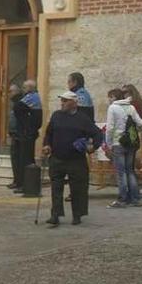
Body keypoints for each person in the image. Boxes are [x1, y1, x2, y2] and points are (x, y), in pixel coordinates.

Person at [42, 91, 103, 227]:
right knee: (56, 188)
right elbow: (48, 133)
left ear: (74, 103)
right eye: (62, 100)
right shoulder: (56, 116)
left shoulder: (83, 119)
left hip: (76, 159)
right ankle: (55, 215)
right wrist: (46, 145)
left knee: (78, 188)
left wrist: (92, 147)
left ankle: (77, 215)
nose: (62, 103)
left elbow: (97, 134)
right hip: (57, 157)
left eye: (65, 101)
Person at [104, 88, 142, 208]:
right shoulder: (131, 107)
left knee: (121, 173)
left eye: (110, 97)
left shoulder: (113, 108)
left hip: (118, 143)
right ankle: (135, 199)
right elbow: (140, 123)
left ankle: (122, 199)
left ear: (114, 97)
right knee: (130, 171)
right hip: (130, 143)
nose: (109, 100)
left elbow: (110, 128)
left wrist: (108, 143)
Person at [11, 79, 43, 194]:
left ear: (30, 88)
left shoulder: (32, 97)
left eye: (24, 88)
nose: (23, 90)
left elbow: (18, 106)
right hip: (26, 132)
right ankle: (22, 183)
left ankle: (26, 185)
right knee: (23, 158)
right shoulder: (32, 97)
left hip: (27, 133)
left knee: (26, 159)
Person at [7, 84, 22, 191]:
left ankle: (19, 181)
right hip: (14, 135)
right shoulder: (15, 103)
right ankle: (16, 180)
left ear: (16, 92)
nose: (9, 94)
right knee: (15, 159)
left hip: (18, 135)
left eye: (11, 91)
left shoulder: (19, 103)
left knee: (18, 160)